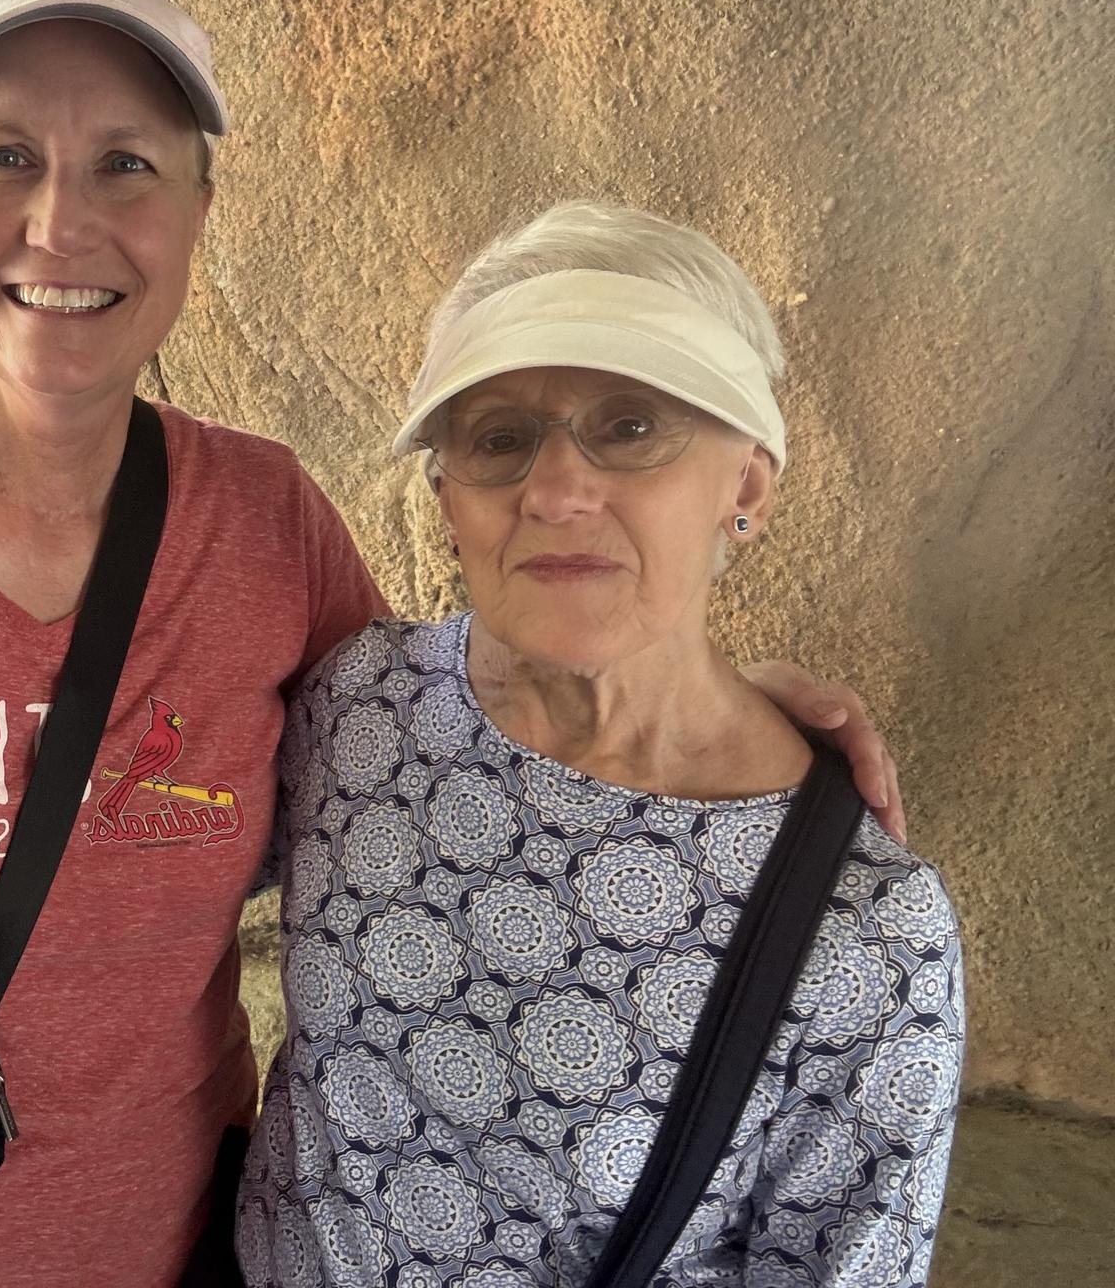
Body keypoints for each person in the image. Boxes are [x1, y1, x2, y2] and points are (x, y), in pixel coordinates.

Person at [0, 0, 900, 1288]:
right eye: (3, 157)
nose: (60, 222)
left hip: (174, 1262)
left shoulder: (264, 525)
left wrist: (710, 702)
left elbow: (452, 730)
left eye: (127, 163)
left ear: (196, 211)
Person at [236, 202, 964, 1287]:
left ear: (745, 486)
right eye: (499, 439)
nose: (557, 492)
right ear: (447, 500)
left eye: (630, 427)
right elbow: (148, 872)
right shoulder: (359, 704)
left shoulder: (872, 938)